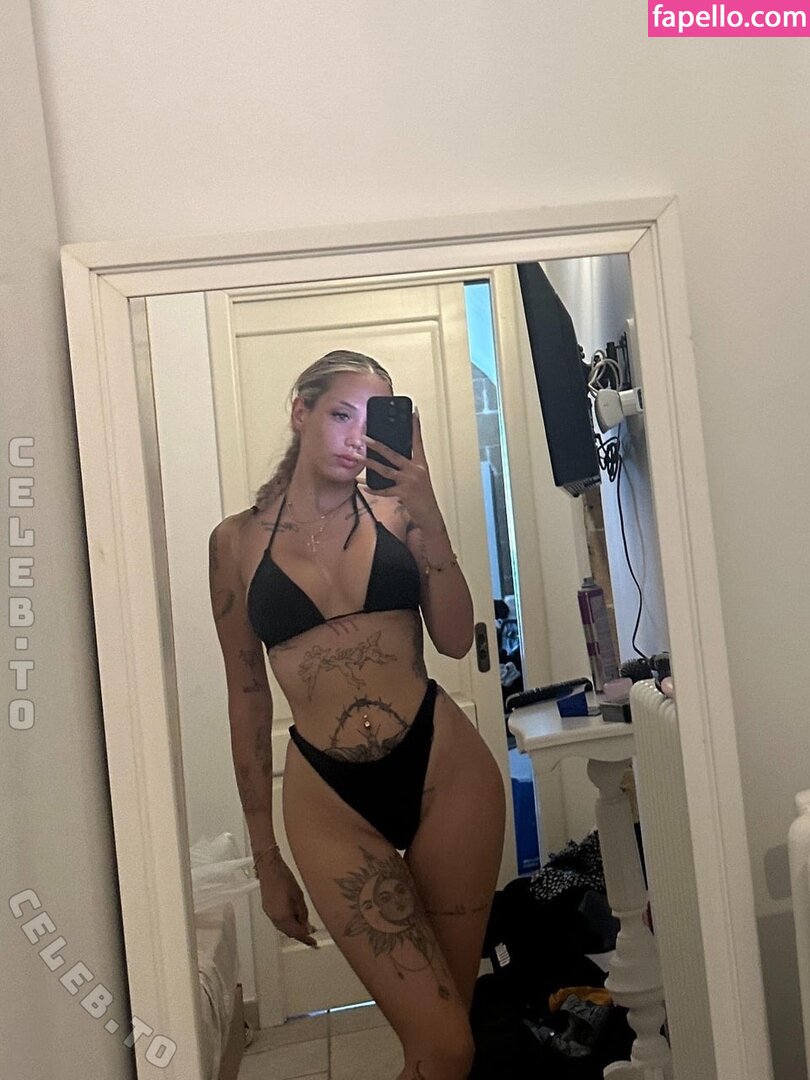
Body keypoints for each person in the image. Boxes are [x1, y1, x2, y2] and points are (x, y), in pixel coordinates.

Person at [208, 350, 506, 1080]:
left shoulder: (402, 514)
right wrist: (265, 857)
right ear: (300, 412)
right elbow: (246, 694)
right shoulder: (235, 543)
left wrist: (431, 514)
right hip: (328, 802)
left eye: (372, 422)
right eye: (340, 414)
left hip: (446, 776)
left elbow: (454, 638)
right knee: (445, 1048)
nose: (354, 437)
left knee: (448, 1044)